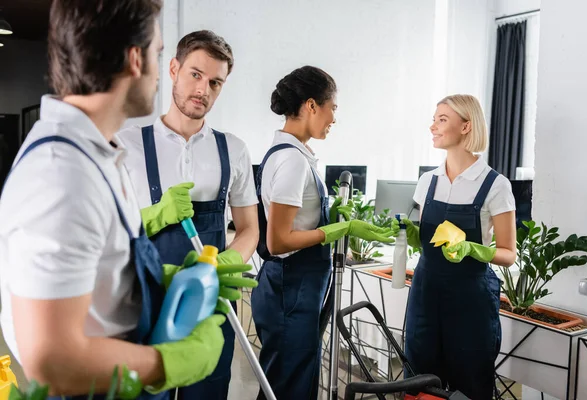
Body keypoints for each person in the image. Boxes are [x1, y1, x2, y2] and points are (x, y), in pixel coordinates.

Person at [0, 1, 255, 398]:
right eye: (157, 53)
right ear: (136, 59)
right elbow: (53, 360)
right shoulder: (61, 173)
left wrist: (167, 282)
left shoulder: (101, 154)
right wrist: (168, 364)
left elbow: (107, 273)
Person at [117, 30, 259, 399]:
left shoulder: (234, 150)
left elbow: (249, 229)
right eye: (196, 74)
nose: (203, 90)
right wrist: (154, 216)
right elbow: (108, 233)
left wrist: (229, 259)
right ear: (174, 69)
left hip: (210, 304)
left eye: (215, 82)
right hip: (144, 301)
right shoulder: (127, 145)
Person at [251, 65, 399, 400]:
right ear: (311, 106)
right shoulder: (292, 161)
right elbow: (278, 241)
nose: (334, 118)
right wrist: (337, 229)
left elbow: (296, 221)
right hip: (292, 286)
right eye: (333, 108)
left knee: (288, 379)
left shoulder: (293, 155)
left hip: (294, 287)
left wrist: (328, 217)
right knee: (290, 385)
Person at [403, 94, 517, 400]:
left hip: (470, 301)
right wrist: (409, 234)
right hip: (425, 293)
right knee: (418, 379)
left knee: (470, 380)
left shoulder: (495, 185)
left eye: (442, 120)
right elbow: (425, 237)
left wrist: (472, 249)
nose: (433, 127)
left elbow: (508, 253)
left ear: (466, 127)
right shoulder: (427, 181)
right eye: (434, 118)